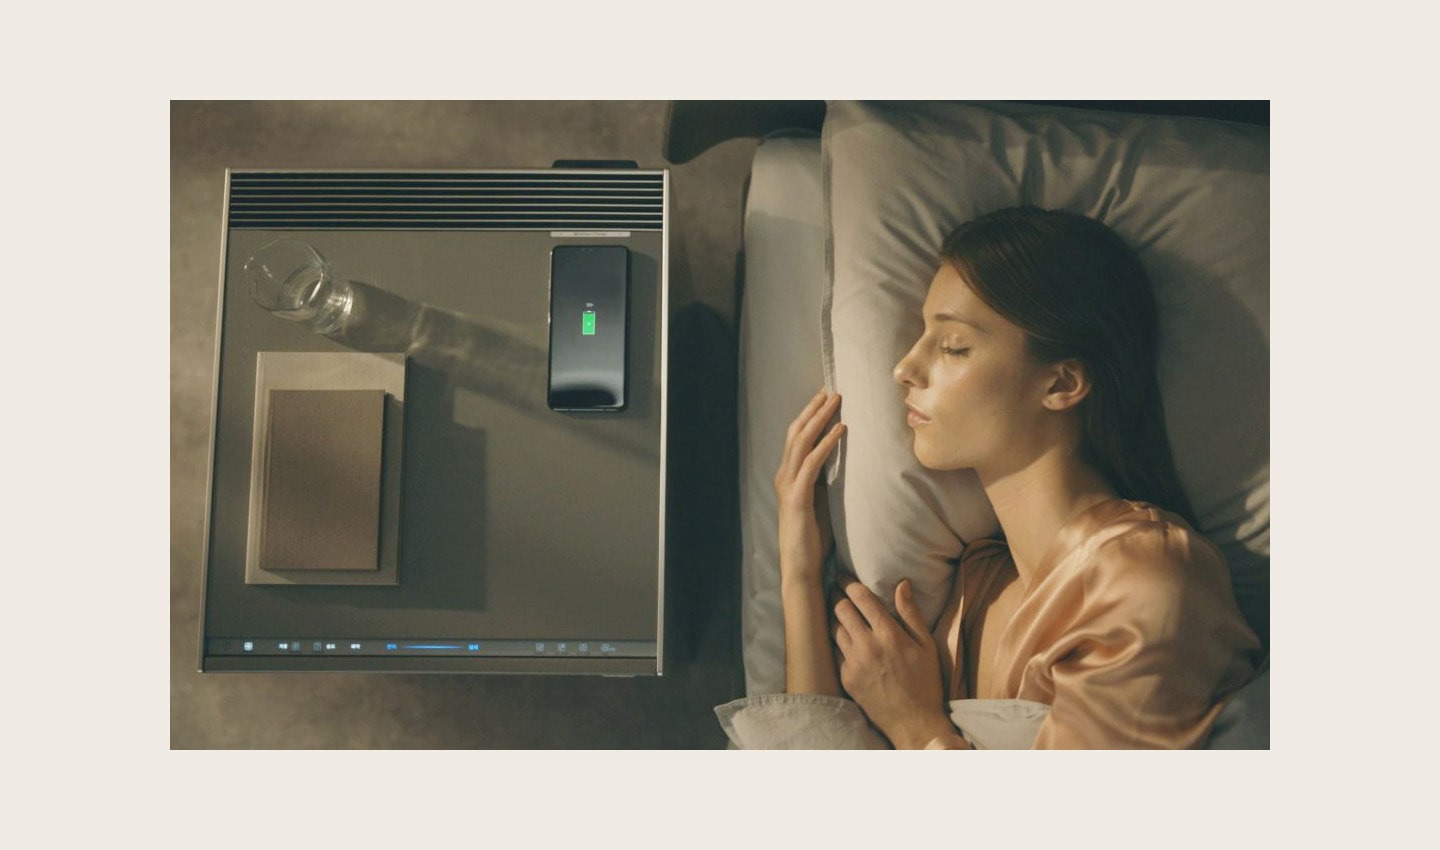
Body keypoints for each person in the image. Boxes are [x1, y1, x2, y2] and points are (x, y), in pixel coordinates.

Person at [774, 206, 1260, 749]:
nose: (905, 368)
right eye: (921, 335)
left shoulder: (1148, 579)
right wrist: (799, 572)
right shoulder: (977, 586)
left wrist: (915, 727)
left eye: (954, 346)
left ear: (1061, 383)